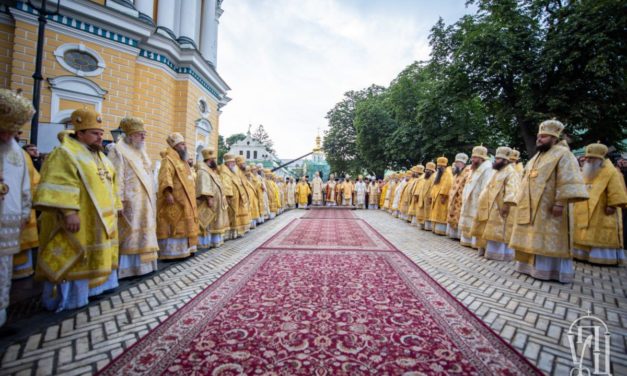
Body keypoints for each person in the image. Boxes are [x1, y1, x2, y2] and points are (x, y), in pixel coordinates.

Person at [35, 108, 121, 312]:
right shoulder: (65, 152)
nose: (100, 137)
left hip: (101, 219)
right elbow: (60, 182)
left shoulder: (102, 157)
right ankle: (68, 298)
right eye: (95, 133)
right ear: (80, 133)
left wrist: (117, 207)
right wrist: (68, 212)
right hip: (77, 217)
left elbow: (112, 185)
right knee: (74, 255)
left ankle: (93, 290)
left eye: (101, 133)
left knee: (95, 256)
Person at [509, 119, 588, 283]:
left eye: (544, 137)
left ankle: (550, 271)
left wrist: (560, 202)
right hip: (530, 207)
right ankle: (529, 267)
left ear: (554, 138)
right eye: (539, 136)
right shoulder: (537, 157)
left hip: (551, 207)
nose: (539, 139)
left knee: (549, 239)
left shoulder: (563, 154)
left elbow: (567, 179)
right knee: (533, 237)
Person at [107, 117, 158, 277]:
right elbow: (116, 176)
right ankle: (128, 269)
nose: (143, 137)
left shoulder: (141, 151)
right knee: (130, 233)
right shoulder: (118, 150)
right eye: (139, 134)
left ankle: (145, 266)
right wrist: (118, 201)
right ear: (129, 135)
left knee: (145, 232)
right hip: (130, 200)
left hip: (144, 200)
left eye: (144, 134)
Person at [0, 89, 33, 325]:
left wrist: (23, 212)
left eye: (11, 131)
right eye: (4, 130)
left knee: (4, 272)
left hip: (9, 223)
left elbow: (24, 186)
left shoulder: (17, 153)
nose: (7, 136)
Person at [572, 142, 627, 265]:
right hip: (583, 207)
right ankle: (581, 255)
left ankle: (603, 258)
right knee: (583, 231)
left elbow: (617, 190)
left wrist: (612, 205)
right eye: (586, 157)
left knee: (599, 233)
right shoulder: (586, 171)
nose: (587, 160)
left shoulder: (612, 172)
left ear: (600, 159)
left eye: (591, 158)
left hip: (602, 209)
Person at [471, 147, 520, 260]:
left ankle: (500, 254)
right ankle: (487, 250)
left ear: (506, 160)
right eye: (496, 158)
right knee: (488, 230)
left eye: (498, 159)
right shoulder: (497, 171)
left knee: (498, 231)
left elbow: (512, 190)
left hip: (501, 207)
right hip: (490, 205)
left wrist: (506, 205)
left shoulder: (511, 172)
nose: (495, 161)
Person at [156, 132, 199, 259]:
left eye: (184, 144)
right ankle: (173, 253)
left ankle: (187, 249)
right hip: (175, 198)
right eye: (182, 144)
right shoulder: (168, 160)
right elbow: (165, 176)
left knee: (186, 224)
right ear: (175, 146)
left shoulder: (183, 160)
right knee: (175, 223)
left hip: (187, 198)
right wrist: (167, 192)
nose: (185, 146)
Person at [459, 146, 493, 248]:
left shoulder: (487, 168)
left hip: (478, 198)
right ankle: (467, 240)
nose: (472, 159)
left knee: (475, 220)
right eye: (472, 157)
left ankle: (475, 243)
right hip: (470, 198)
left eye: (475, 157)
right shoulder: (473, 168)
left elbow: (486, 186)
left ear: (481, 158)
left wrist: (482, 200)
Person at [196, 148, 229, 248]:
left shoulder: (210, 170)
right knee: (208, 222)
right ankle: (205, 242)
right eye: (214, 159)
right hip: (209, 201)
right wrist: (209, 198)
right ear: (210, 160)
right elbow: (204, 185)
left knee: (215, 221)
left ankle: (214, 240)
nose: (216, 162)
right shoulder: (203, 171)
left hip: (216, 201)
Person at [220, 154, 251, 237]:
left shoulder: (232, 170)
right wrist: (228, 195)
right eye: (233, 162)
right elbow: (226, 184)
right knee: (233, 214)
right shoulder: (224, 171)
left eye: (234, 162)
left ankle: (238, 231)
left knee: (237, 213)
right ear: (228, 162)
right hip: (231, 196)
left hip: (238, 195)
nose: (234, 164)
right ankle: (233, 233)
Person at [446, 153, 471, 239]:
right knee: (453, 214)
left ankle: (459, 236)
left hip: (461, 198)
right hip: (454, 198)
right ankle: (453, 234)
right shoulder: (457, 172)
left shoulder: (468, 171)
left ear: (463, 163)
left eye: (458, 163)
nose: (456, 164)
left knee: (459, 215)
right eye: (456, 162)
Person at [430, 157, 454, 235]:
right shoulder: (439, 174)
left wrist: (444, 196)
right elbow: (435, 185)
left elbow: (448, 184)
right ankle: (435, 229)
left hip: (442, 197)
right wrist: (432, 195)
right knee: (436, 213)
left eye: (440, 166)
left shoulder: (448, 174)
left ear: (444, 166)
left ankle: (441, 230)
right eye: (438, 166)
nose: (438, 168)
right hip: (436, 197)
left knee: (441, 213)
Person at [416, 163, 435, 229]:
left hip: (428, 198)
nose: (426, 171)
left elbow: (433, 188)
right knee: (422, 212)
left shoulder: (433, 177)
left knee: (428, 213)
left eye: (428, 170)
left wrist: (430, 197)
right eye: (426, 169)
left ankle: (428, 227)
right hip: (423, 197)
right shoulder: (426, 177)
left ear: (432, 171)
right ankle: (423, 225)